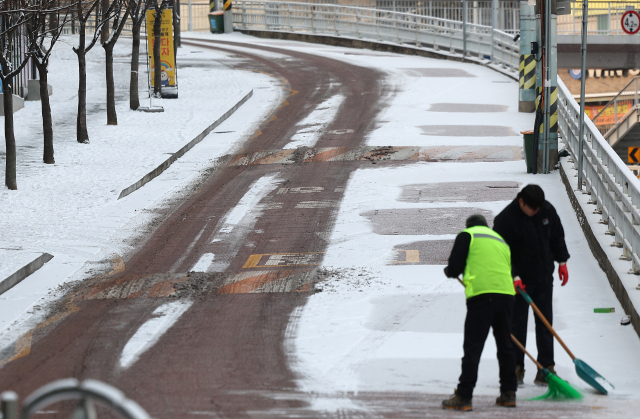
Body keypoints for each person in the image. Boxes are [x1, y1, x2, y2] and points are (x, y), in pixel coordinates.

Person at [493, 184, 570, 386]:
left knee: (545, 324)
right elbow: (500, 253)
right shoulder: (505, 220)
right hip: (518, 283)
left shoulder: (546, 210)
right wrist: (513, 276)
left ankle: (546, 368)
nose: (536, 213)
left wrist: (562, 262)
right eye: (532, 209)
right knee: (517, 325)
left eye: (538, 209)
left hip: (543, 279)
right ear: (521, 202)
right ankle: (515, 368)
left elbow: (557, 236)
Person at [442, 214, 517, 411]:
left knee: (473, 348)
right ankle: (509, 393)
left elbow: (454, 268)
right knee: (505, 346)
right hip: (507, 295)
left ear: (469, 225)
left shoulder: (467, 235)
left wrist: (449, 271)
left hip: (482, 297)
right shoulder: (499, 239)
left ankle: (464, 396)